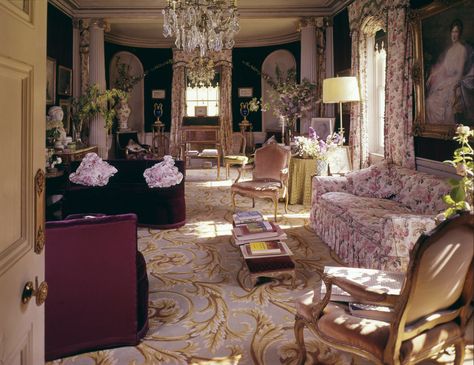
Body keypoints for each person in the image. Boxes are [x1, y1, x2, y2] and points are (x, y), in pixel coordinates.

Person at [425, 19, 473, 124]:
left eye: (456, 32)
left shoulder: (462, 49)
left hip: (456, 81)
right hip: (446, 81)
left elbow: (459, 73)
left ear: (460, 34)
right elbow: (443, 68)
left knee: (448, 101)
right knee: (429, 101)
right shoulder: (450, 51)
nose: (454, 35)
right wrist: (433, 75)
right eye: (453, 32)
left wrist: (449, 84)